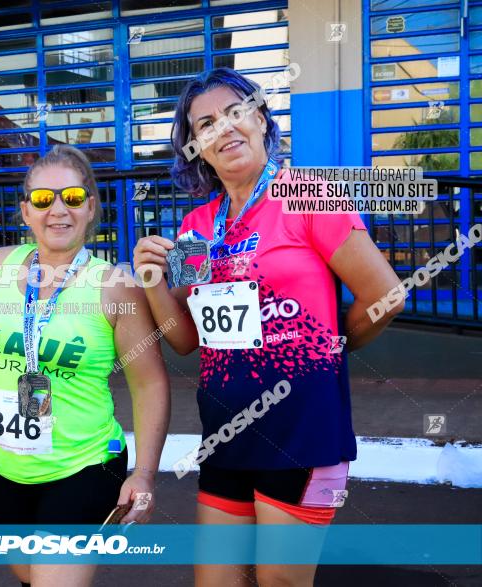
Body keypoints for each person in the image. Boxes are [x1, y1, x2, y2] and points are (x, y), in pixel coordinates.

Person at [132, 67, 405, 587]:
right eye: (205, 124)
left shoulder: (309, 195)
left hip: (302, 431)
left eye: (235, 113)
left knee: (280, 581)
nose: (224, 128)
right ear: (196, 147)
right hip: (226, 435)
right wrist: (150, 281)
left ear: (260, 119)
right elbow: (187, 339)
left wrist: (332, 347)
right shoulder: (196, 227)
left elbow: (385, 295)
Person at [0, 145, 170, 587]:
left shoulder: (117, 286)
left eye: (72, 197)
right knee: (28, 576)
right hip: (4, 463)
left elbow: (149, 384)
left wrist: (145, 474)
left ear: (90, 205)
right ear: (25, 210)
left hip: (83, 465)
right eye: (43, 199)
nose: (58, 209)